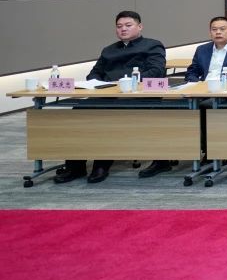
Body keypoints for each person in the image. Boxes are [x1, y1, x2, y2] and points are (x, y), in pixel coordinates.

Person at [56, 11, 167, 184]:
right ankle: (75, 165)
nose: (123, 29)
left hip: (137, 96)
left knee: (106, 114)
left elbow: (156, 71)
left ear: (140, 26)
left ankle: (101, 164)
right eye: (119, 26)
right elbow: (94, 73)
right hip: (107, 94)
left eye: (128, 25)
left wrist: (125, 82)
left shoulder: (152, 46)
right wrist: (100, 83)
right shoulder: (108, 50)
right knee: (78, 110)